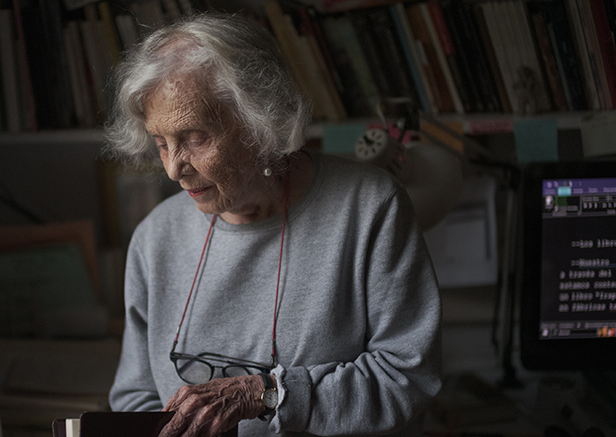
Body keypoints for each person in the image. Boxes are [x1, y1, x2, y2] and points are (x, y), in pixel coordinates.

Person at [104, 13, 442, 437]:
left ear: (259, 120)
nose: (174, 169)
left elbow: (407, 376)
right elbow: (135, 397)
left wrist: (266, 394)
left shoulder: (370, 208)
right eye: (161, 143)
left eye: (194, 138)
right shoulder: (155, 239)